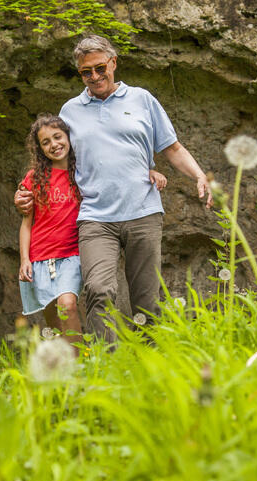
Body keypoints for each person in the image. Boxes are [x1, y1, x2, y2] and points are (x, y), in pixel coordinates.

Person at [15, 35, 211, 340]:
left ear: (114, 63)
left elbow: (171, 148)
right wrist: (26, 192)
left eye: (100, 67)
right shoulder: (70, 110)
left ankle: (151, 363)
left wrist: (198, 174)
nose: (94, 77)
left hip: (143, 212)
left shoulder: (142, 100)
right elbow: (56, 160)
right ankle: (107, 366)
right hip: (94, 217)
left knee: (146, 298)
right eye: (86, 72)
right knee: (98, 289)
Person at [18, 113, 168, 345]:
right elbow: (26, 223)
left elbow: (119, 171)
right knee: (54, 324)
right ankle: (73, 373)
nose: (54, 145)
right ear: (38, 148)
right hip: (40, 257)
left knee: (67, 306)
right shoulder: (35, 178)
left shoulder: (84, 172)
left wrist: (148, 171)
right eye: (45, 142)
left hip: (72, 254)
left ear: (69, 137)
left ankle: (82, 363)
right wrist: (24, 259)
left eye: (58, 137)